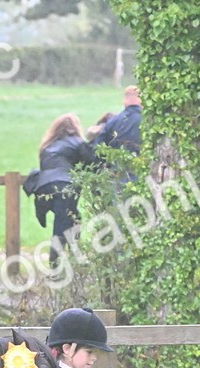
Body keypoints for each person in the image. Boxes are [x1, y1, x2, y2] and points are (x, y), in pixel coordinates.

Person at [31, 114, 97, 266]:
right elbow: (91, 162)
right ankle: (55, 263)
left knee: (74, 218)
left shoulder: (47, 145)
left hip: (43, 186)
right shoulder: (78, 142)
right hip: (65, 186)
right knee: (62, 224)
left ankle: (75, 256)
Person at [95, 85, 142, 156]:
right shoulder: (149, 121)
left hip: (117, 165)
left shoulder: (112, 122)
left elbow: (97, 149)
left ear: (125, 102)